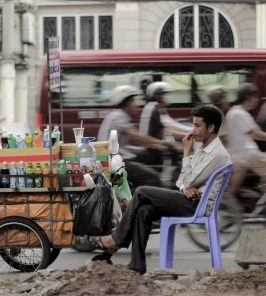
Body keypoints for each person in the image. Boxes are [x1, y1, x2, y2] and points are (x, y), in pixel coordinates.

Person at [91, 104, 230, 275]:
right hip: (191, 198)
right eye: (193, 125)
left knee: (142, 192)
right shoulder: (204, 149)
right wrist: (186, 186)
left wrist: (186, 152)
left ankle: (117, 239)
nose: (193, 130)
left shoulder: (216, 154)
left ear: (211, 128)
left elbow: (188, 179)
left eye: (197, 126)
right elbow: (182, 181)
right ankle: (137, 265)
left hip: (197, 205)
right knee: (144, 210)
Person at [97, 85, 169, 188]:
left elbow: (134, 142)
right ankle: (142, 201)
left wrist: (156, 146)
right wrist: (163, 143)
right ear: (127, 103)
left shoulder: (116, 115)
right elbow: (137, 137)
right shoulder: (119, 117)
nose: (136, 105)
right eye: (133, 101)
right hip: (115, 162)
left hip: (113, 159)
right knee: (153, 178)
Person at [225, 83, 266, 201]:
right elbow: (255, 134)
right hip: (248, 153)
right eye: (255, 97)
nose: (257, 100)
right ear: (248, 97)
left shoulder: (236, 111)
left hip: (245, 152)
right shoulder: (239, 113)